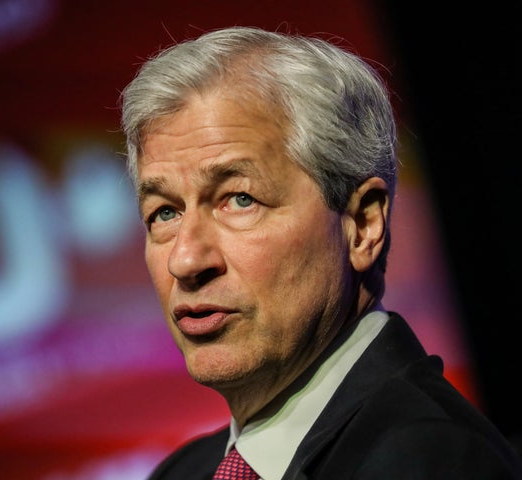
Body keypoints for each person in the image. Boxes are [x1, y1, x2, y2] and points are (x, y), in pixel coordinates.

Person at [119, 26, 522, 479]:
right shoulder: (181, 473)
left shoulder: (433, 461)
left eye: (240, 199)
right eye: (164, 213)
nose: (185, 261)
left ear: (364, 224)